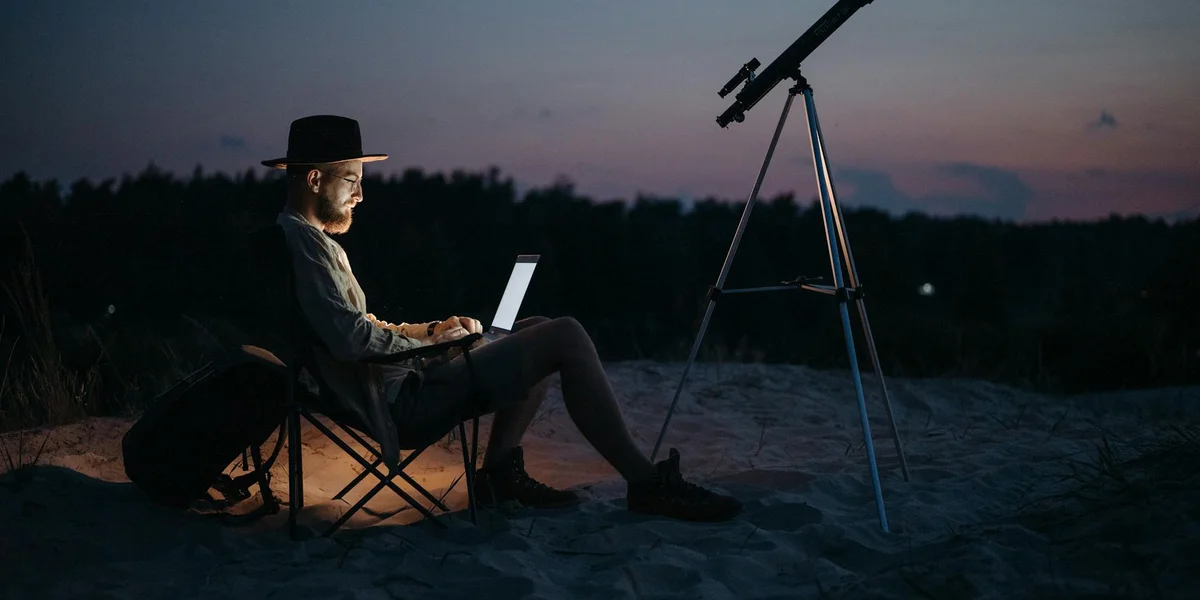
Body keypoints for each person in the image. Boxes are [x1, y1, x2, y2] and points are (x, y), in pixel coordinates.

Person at [261, 115, 741, 522]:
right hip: (400, 402)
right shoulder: (305, 247)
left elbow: (357, 327)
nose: (361, 195)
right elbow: (350, 341)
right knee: (566, 336)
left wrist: (433, 333)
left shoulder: (308, 241)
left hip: (403, 381)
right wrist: (434, 349)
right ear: (315, 179)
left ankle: (497, 477)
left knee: (534, 325)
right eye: (352, 180)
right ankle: (645, 481)